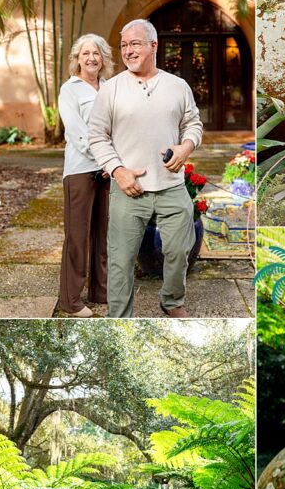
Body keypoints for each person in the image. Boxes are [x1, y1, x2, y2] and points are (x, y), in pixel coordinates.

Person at [88, 18, 203, 318]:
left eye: (135, 43)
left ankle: (172, 301)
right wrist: (117, 170)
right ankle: (119, 318)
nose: (128, 50)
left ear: (154, 46)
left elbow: (193, 124)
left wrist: (185, 146)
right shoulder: (110, 90)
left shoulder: (178, 86)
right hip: (129, 189)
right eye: (124, 45)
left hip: (171, 186)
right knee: (121, 260)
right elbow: (96, 136)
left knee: (179, 250)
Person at [57, 34, 112, 318]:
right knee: (77, 236)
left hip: (106, 170)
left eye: (97, 53)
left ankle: (100, 291)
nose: (91, 58)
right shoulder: (71, 90)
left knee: (102, 234)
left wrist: (112, 162)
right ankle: (70, 300)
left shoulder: (109, 87)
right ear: (77, 59)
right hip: (81, 169)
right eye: (86, 53)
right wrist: (105, 158)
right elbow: (77, 133)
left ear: (103, 58)